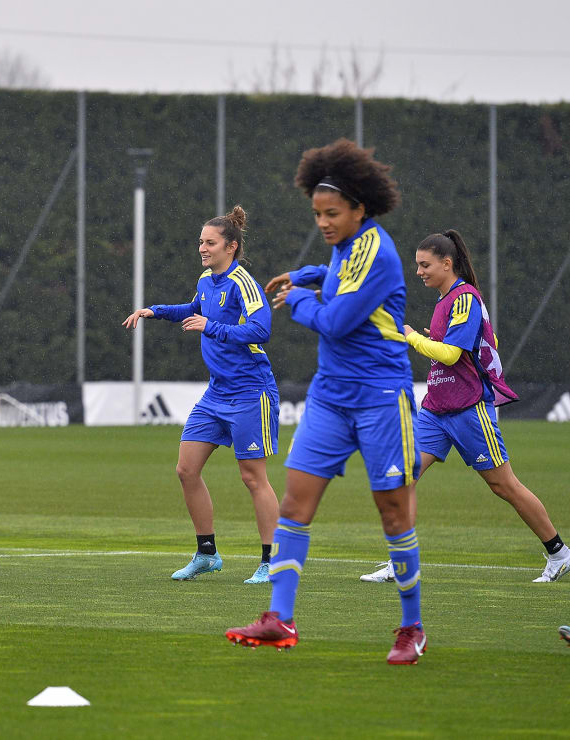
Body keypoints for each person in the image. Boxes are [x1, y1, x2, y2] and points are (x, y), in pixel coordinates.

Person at [224, 139, 427, 665]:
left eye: (332, 213)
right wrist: (309, 274)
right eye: (316, 213)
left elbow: (335, 321)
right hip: (331, 397)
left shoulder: (378, 251)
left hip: (382, 399)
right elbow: (335, 269)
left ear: (360, 208)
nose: (323, 222)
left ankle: (411, 627)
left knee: (393, 513)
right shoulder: (345, 245)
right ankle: (279, 620)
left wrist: (298, 299)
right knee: (294, 504)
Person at [355, 230, 568, 584]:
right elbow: (485, 340)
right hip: (436, 409)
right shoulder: (445, 302)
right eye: (417, 265)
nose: (419, 271)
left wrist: (414, 337)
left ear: (446, 263)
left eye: (425, 265)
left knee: (505, 486)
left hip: (468, 408)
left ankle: (559, 553)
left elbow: (453, 354)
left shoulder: (464, 298)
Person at [123, 206, 280, 584]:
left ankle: (273, 561)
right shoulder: (206, 281)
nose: (202, 248)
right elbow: (194, 309)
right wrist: (155, 311)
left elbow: (261, 330)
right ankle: (207, 554)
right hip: (217, 393)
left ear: (231, 246)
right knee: (186, 469)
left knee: (252, 477)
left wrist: (213, 327)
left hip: (250, 391)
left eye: (210, 243)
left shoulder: (243, 283)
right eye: (200, 242)